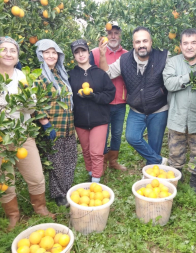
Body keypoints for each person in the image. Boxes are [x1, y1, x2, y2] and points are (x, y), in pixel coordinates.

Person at [0, 36, 55, 230]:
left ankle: (40, 207)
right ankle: (13, 214)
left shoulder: (24, 77)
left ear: (18, 56)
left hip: (23, 135)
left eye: (13, 50)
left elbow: (31, 107)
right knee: (5, 181)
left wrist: (28, 102)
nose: (9, 53)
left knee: (36, 175)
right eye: (4, 49)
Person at [98, 26, 168, 165]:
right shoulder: (124, 59)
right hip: (137, 110)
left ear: (151, 42)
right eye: (138, 42)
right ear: (133, 44)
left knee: (155, 145)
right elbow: (107, 73)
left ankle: (151, 173)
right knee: (132, 137)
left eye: (145, 41)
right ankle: (159, 161)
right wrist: (102, 55)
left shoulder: (163, 56)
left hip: (159, 109)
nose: (141, 45)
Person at [162, 28, 196, 193]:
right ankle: (178, 174)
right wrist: (190, 76)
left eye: (193, 43)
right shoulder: (173, 62)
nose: (189, 47)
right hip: (177, 116)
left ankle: (195, 180)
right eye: (185, 43)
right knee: (175, 150)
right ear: (180, 45)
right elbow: (169, 83)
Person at [34, 39, 77, 207]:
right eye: (47, 52)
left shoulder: (60, 74)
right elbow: (36, 101)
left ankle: (67, 189)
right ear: (40, 54)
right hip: (53, 126)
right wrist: (46, 124)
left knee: (70, 158)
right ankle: (58, 194)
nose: (51, 56)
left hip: (68, 126)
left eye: (54, 53)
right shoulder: (39, 75)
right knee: (57, 161)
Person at [68, 39, 116, 183]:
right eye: (77, 52)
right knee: (86, 151)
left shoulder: (100, 74)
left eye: (83, 51)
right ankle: (91, 172)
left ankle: (95, 180)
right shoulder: (70, 75)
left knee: (96, 152)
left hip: (99, 119)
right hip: (80, 120)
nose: (81, 54)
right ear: (74, 56)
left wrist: (93, 96)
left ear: (88, 53)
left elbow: (110, 94)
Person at [89, 22, 128, 172]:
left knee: (117, 133)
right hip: (102, 102)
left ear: (120, 35)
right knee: (103, 133)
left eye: (116, 33)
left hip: (120, 101)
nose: (113, 36)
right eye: (110, 33)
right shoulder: (95, 53)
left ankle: (113, 161)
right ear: (106, 35)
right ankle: (102, 163)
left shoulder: (126, 55)